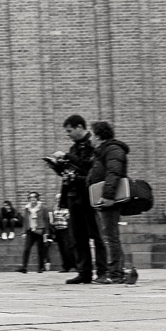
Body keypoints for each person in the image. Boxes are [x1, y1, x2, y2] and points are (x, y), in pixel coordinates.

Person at [46, 114, 105, 284]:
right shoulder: (74, 148)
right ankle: (84, 272)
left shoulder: (92, 145)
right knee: (78, 236)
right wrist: (57, 167)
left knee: (96, 234)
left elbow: (88, 167)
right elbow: (70, 170)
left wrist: (66, 156)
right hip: (73, 195)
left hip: (89, 195)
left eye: (70, 131)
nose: (68, 134)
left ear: (80, 127)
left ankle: (102, 271)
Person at [89, 119, 133, 285]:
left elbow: (113, 173)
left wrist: (108, 196)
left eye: (92, 135)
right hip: (104, 199)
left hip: (110, 200)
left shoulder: (113, 149)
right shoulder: (103, 151)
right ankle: (116, 271)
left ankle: (115, 273)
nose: (90, 139)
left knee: (110, 237)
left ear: (99, 136)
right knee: (109, 236)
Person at [19, 191, 52, 273]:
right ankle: (24, 267)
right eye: (30, 197)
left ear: (37, 198)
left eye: (34, 197)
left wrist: (46, 232)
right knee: (26, 249)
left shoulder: (43, 208)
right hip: (30, 230)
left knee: (40, 250)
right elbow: (25, 221)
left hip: (40, 230)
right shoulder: (27, 208)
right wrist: (24, 232)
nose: (32, 199)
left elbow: (46, 220)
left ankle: (41, 267)